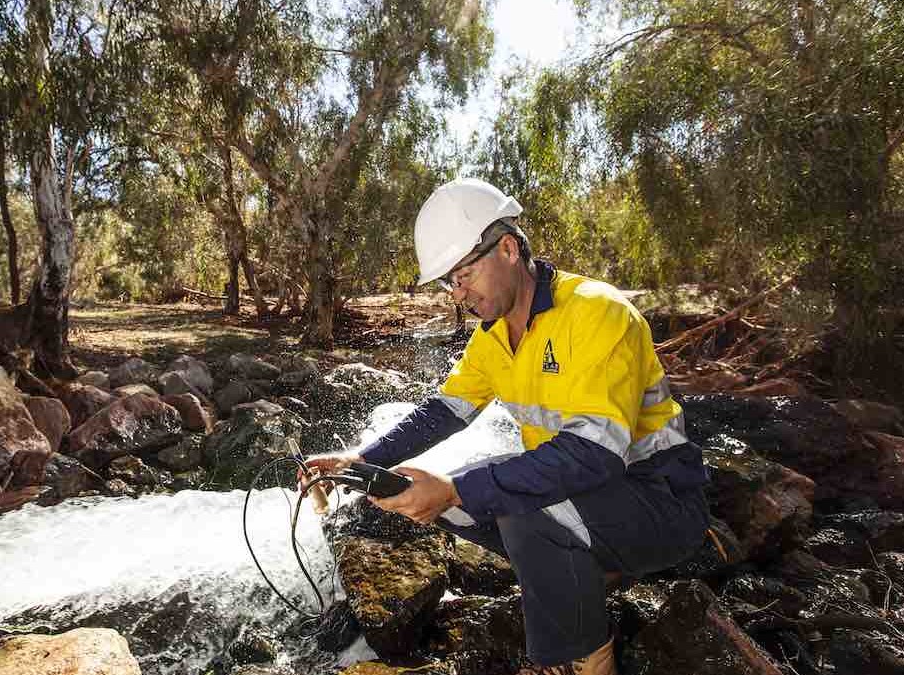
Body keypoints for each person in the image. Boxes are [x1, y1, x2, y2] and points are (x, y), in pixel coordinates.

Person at [303, 178, 710, 675]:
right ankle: (583, 575)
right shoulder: (491, 337)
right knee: (445, 498)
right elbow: (442, 413)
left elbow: (595, 453)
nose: (459, 294)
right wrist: (363, 462)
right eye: (448, 283)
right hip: (593, 495)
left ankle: (583, 657)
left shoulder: (597, 312)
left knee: (502, 500)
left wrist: (455, 490)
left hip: (662, 501)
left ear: (509, 249)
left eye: (464, 275)